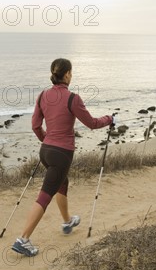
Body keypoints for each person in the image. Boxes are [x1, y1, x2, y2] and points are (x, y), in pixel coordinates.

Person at [12, 58, 116, 257]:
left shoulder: (43, 95)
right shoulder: (72, 99)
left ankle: (67, 221)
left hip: (46, 151)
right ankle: (23, 239)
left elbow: (35, 125)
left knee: (62, 183)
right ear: (67, 74)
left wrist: (47, 140)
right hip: (62, 154)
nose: (71, 75)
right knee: (45, 195)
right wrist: (110, 119)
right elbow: (92, 123)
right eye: (71, 72)